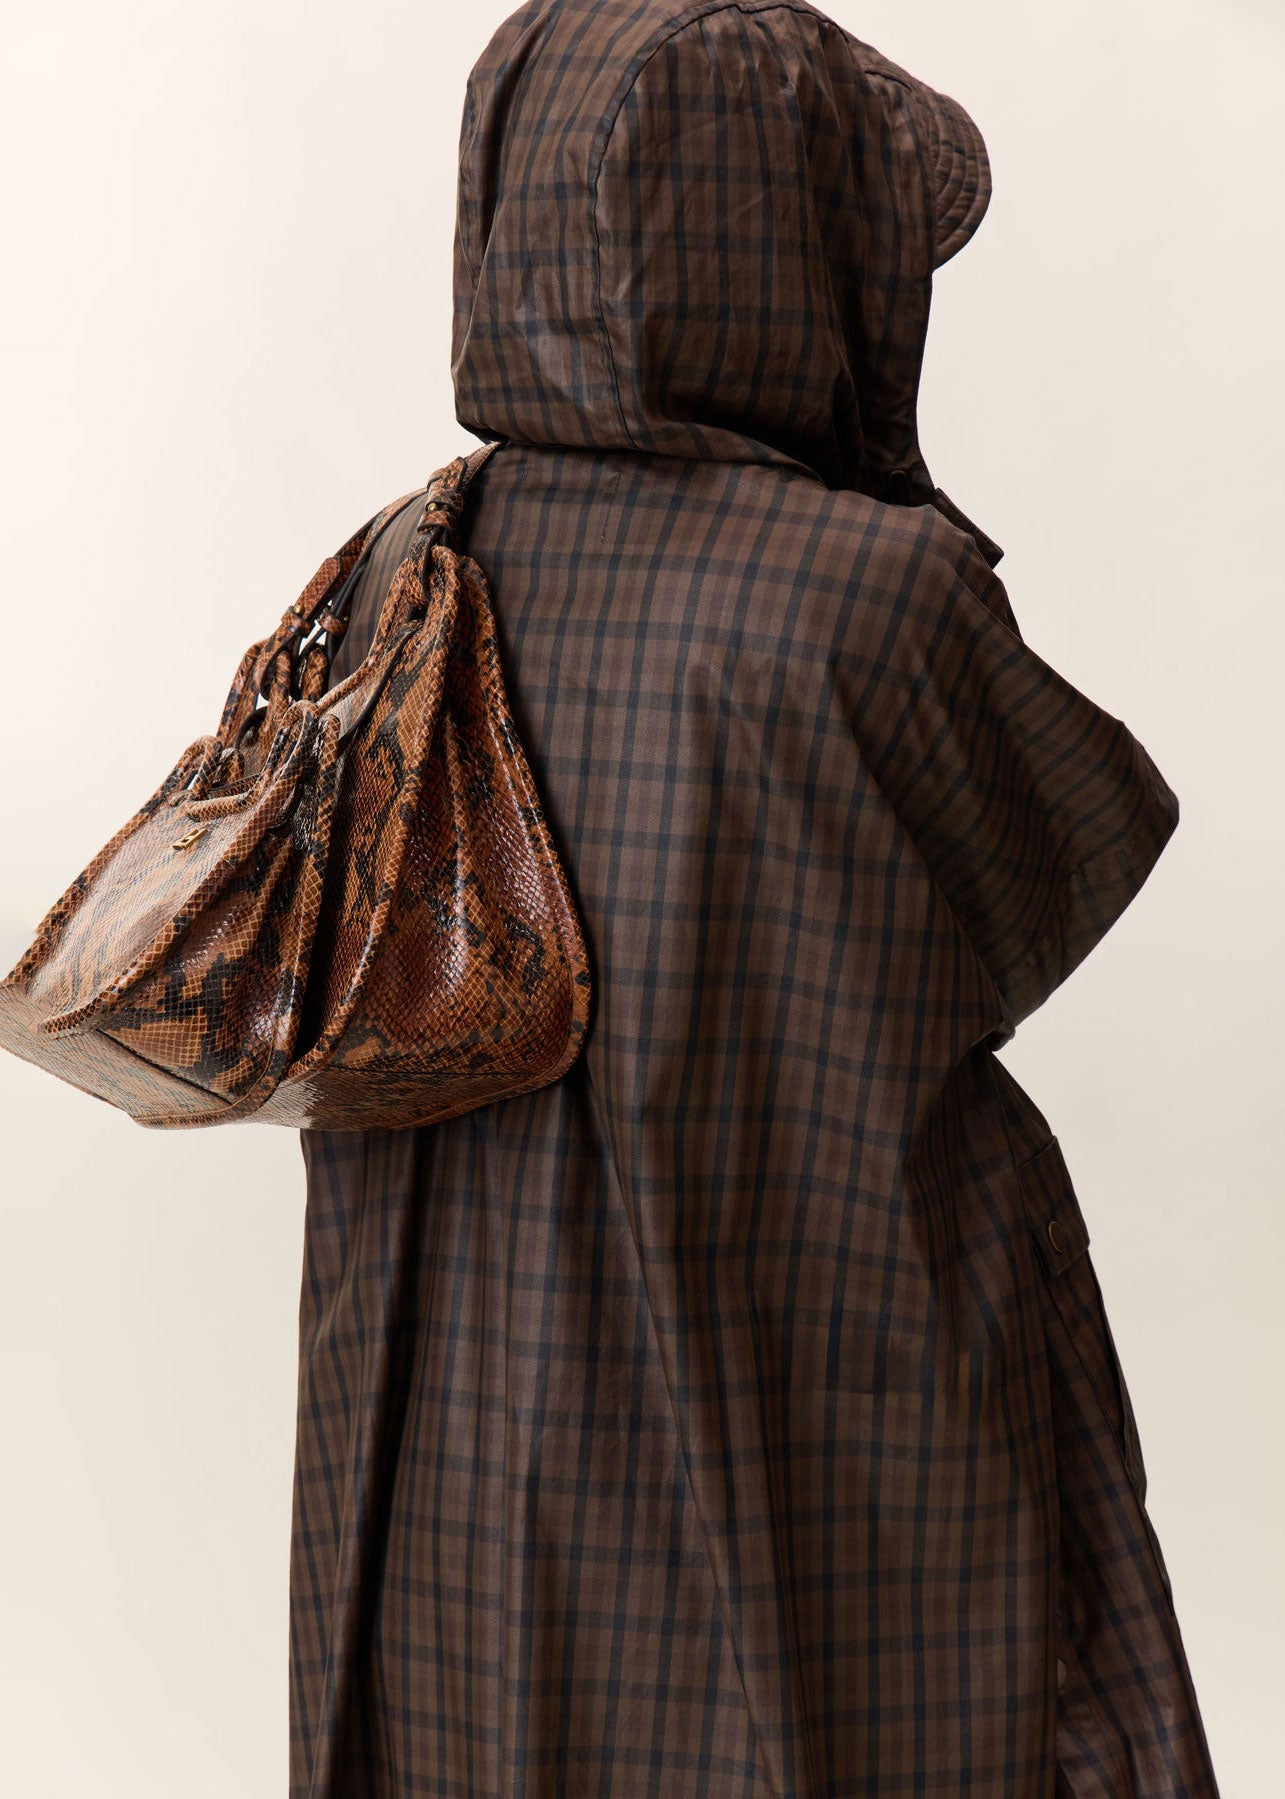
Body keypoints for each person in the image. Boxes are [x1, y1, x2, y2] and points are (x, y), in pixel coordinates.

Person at [287, 2, 1222, 1792]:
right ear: (791, 242)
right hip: (811, 1334)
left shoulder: (405, 564)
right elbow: (1058, 878)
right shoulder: (868, 595)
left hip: (457, 1385)